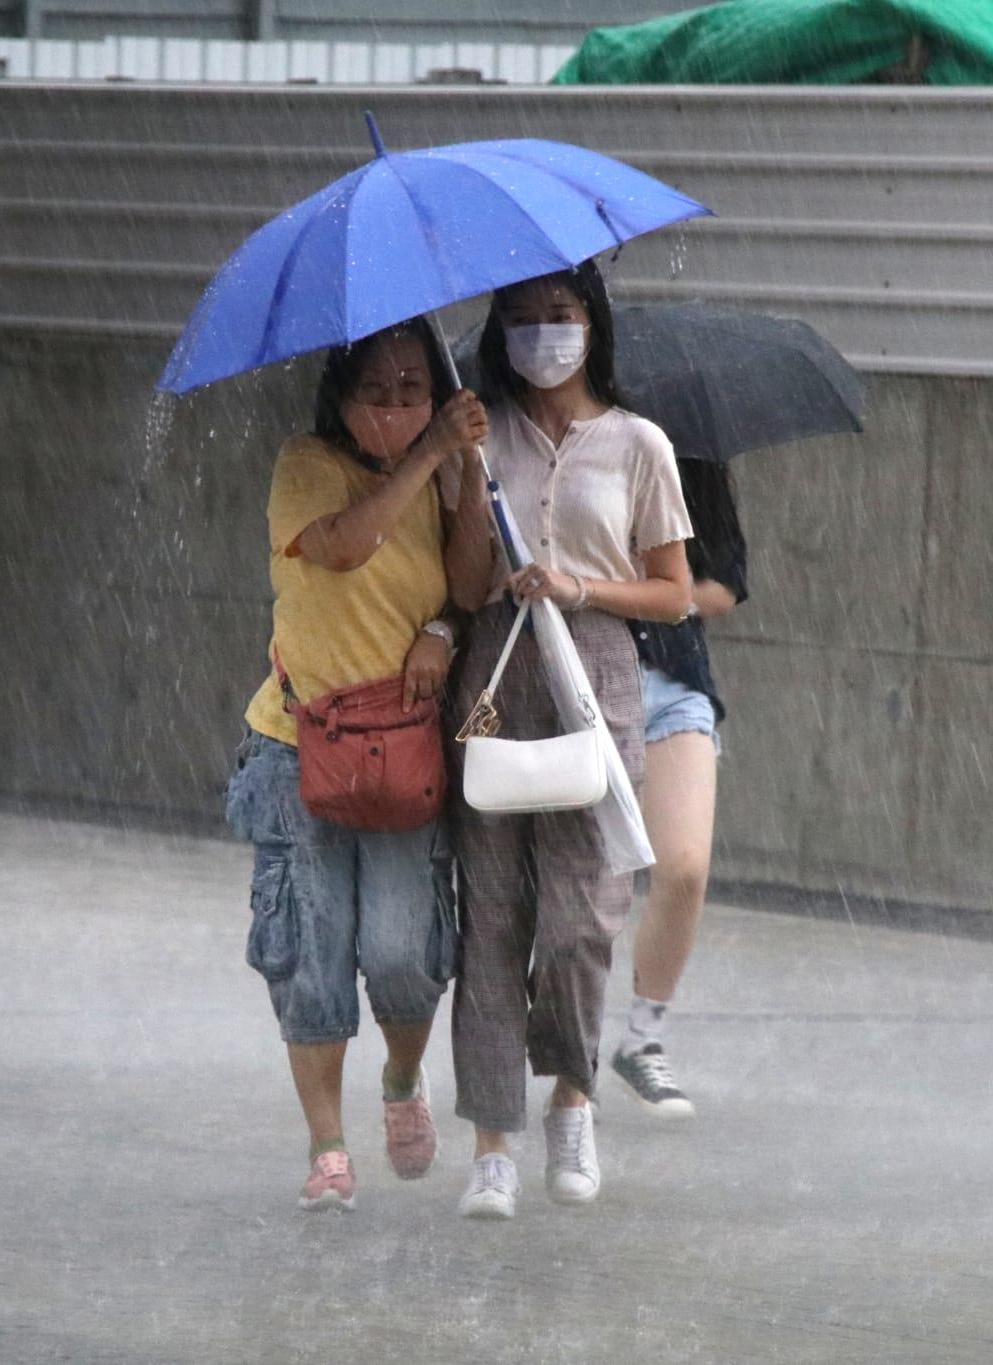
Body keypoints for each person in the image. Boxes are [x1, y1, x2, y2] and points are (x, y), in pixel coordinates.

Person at [223, 320, 493, 1212]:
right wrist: (427, 454)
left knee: (404, 952)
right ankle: (328, 1143)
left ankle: (402, 1076)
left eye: (414, 388)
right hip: (302, 745)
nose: (395, 405)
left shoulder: (446, 466)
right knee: (311, 949)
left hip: (404, 742)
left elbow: (471, 584)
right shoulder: (306, 464)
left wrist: (464, 488)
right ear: (339, 396)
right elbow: (345, 545)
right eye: (375, 389)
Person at [447, 261, 693, 1219]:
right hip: (497, 667)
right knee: (495, 915)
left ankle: (574, 1098)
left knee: (586, 913)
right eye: (520, 318)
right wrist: (466, 477)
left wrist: (580, 586)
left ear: (592, 322)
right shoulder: (481, 431)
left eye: (559, 314)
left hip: (597, 667)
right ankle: (493, 1144)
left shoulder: (639, 444)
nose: (542, 334)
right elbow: (464, 586)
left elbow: (673, 592)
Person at [611, 458, 749, 1120]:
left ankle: (644, 1035)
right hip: (575, 677)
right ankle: (560, 1049)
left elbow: (726, 583)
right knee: (580, 884)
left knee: (686, 867)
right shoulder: (544, 439)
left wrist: (667, 589)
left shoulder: (685, 453)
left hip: (674, 679)